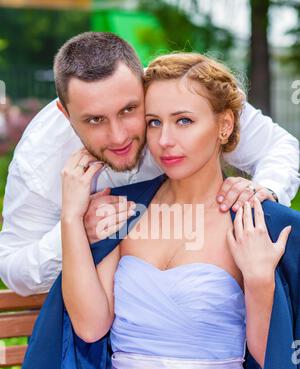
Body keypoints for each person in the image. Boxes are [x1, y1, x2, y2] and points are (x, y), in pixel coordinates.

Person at [42, 52, 300, 369]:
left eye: (184, 121)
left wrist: (260, 279)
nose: (164, 141)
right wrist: (71, 220)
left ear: (224, 124)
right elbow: (91, 327)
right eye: (154, 122)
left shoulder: (255, 223)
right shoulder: (123, 209)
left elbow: (273, 362)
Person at [0, 32, 299, 297]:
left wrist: (262, 192)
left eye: (129, 109)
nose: (118, 137)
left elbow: (281, 147)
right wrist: (76, 231)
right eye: (95, 120)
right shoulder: (41, 155)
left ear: (142, 84)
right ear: (65, 113)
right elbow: (15, 271)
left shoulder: (175, 92)